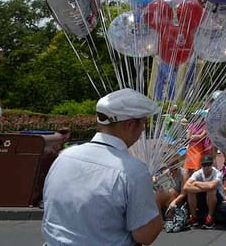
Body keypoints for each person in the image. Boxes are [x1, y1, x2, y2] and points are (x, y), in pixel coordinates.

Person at [42, 88, 163, 245]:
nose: (143, 129)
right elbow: (145, 236)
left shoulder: (64, 156)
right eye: (143, 122)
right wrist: (157, 201)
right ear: (130, 125)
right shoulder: (133, 171)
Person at [183, 155, 222, 228]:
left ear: (212, 164)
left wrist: (196, 183)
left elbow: (212, 186)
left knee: (211, 190)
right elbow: (185, 187)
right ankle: (194, 217)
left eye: (208, 164)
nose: (206, 167)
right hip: (202, 196)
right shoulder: (197, 173)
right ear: (201, 165)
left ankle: (209, 217)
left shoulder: (217, 173)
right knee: (190, 191)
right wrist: (204, 187)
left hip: (216, 197)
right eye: (204, 165)